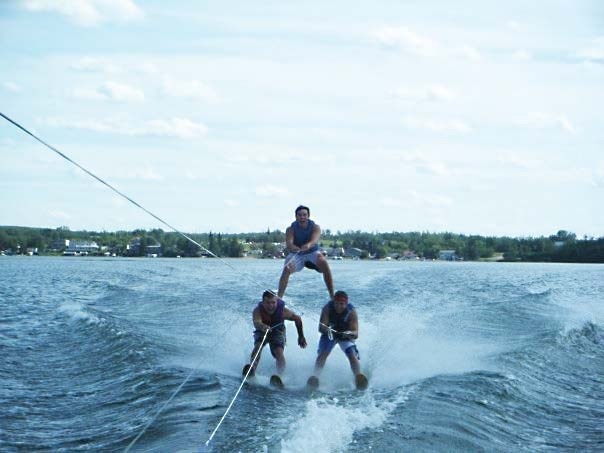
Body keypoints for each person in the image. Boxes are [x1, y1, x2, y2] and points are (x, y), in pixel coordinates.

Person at [308, 290, 366, 389]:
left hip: (345, 335)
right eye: (337, 304)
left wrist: (348, 333)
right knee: (323, 354)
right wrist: (329, 330)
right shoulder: (327, 308)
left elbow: (355, 333)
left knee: (352, 355)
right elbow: (321, 328)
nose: (339, 306)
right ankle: (315, 377)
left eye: (342, 304)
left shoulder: (351, 312)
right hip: (330, 334)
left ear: (346, 303)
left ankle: (358, 376)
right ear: (333, 302)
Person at [244, 290, 307, 379]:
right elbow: (256, 322)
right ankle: (252, 369)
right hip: (262, 330)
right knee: (258, 346)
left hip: (278, 330)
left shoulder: (283, 312)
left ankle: (280, 376)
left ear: (277, 302)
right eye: (268, 303)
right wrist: (263, 326)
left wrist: (301, 336)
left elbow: (297, 318)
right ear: (263, 302)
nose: (271, 306)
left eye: (273, 303)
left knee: (278, 352)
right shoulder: (257, 311)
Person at [278, 205, 334, 299]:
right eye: (299, 215)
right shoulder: (290, 229)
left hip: (312, 252)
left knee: (324, 263)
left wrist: (308, 245)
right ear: (296, 217)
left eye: (304, 215)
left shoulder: (315, 227)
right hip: (298, 254)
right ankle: (279, 297)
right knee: (287, 268)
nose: (302, 217)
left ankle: (332, 295)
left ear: (308, 216)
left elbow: (314, 240)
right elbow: (289, 244)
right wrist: (294, 247)